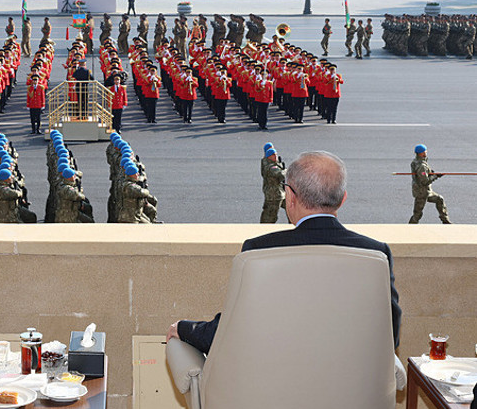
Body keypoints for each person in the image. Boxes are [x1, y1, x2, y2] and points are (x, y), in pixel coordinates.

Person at [167, 151, 402, 354]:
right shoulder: (376, 253)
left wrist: (184, 328)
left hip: (275, 397)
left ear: (289, 197)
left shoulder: (259, 251)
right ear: (342, 199)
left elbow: (230, 330)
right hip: (353, 399)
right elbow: (390, 336)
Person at [408, 144, 451, 224]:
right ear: (422, 153)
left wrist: (430, 173)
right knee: (417, 214)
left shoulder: (418, 162)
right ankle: (409, 227)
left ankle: (445, 220)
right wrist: (435, 176)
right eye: (425, 151)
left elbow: (423, 175)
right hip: (421, 192)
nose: (426, 152)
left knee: (439, 199)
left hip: (426, 191)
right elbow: (424, 181)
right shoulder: (421, 165)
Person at [260, 144, 286, 223]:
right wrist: (286, 170)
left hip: (280, 192)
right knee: (270, 217)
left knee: (292, 209)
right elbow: (281, 174)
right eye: (273, 155)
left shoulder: (269, 162)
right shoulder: (271, 167)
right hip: (274, 195)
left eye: (276, 155)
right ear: (268, 156)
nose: (276, 157)